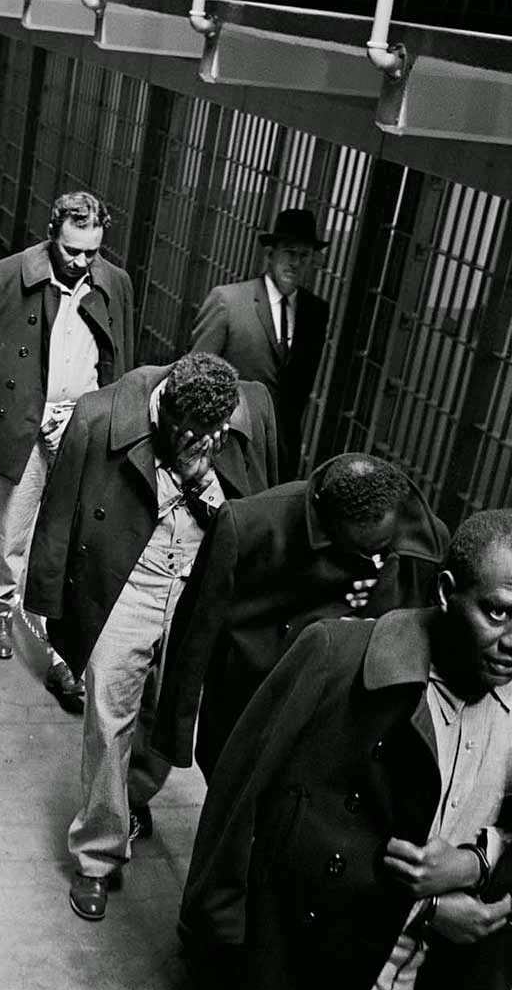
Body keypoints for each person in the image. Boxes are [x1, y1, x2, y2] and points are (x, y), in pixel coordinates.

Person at [178, 507, 512, 990]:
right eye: (496, 610)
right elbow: (247, 797)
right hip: (320, 949)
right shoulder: (337, 656)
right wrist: (222, 950)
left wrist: (480, 859)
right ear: (446, 591)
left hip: (431, 976)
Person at [25, 353, 278, 921]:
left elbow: (260, 512)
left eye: (213, 438)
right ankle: (97, 856)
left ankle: (134, 794)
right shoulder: (100, 415)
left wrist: (206, 485)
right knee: (108, 713)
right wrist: (48, 605)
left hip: (200, 581)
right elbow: (59, 510)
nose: (204, 445)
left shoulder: (251, 412)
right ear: (163, 410)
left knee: (170, 709)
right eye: (189, 437)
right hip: (126, 577)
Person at [0, 191, 135, 712]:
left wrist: (121, 424)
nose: (79, 262)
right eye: (71, 250)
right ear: (52, 233)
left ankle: (58, 641)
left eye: (91, 252)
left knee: (69, 536)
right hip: (23, 416)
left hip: (83, 421)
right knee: (13, 520)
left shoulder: (114, 284)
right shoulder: (7, 275)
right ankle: (2, 606)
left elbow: (121, 358)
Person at [154, 452, 450, 782]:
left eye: (381, 547)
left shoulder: (425, 541)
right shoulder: (251, 525)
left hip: (341, 711)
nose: (373, 559)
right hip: (249, 696)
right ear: (326, 522)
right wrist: (175, 735)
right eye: (358, 551)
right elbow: (196, 630)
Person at [191, 207, 329, 479]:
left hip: (277, 456)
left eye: (304, 256)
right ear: (271, 254)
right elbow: (196, 377)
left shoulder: (316, 313)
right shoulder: (228, 302)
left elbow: (299, 391)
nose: (296, 263)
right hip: (224, 445)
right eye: (289, 252)